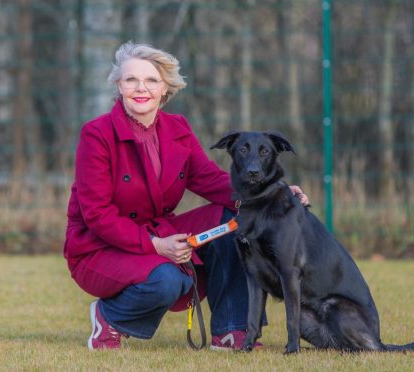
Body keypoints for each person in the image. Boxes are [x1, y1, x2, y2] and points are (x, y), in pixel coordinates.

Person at [63, 41, 309, 351]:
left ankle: (232, 330)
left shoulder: (177, 127)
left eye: (151, 80)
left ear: (165, 87)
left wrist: (275, 195)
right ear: (119, 85)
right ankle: (109, 317)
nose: (141, 88)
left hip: (157, 230)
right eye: (131, 80)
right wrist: (156, 246)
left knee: (234, 219)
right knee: (168, 281)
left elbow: (209, 179)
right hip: (98, 247)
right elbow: (97, 215)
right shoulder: (97, 134)